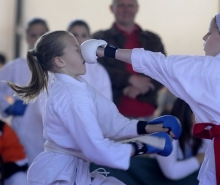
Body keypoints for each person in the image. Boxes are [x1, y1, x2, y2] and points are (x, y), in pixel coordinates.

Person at [82, 11, 220, 184]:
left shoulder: (204, 69)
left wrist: (105, 51)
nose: (204, 38)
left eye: (209, 33)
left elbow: (155, 62)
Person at [6, 30, 179, 184]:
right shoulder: (71, 96)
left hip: (72, 170)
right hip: (58, 175)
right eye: (76, 48)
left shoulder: (78, 86)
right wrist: (143, 146)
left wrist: (149, 127)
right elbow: (95, 148)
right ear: (59, 61)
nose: (82, 51)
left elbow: (110, 121)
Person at [93, 0, 165, 120]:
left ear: (137, 8)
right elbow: (95, 70)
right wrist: (130, 79)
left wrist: (142, 88)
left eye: (130, 5)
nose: (126, 9)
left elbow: (163, 70)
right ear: (112, 8)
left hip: (149, 115)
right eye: (121, 5)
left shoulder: (153, 40)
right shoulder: (99, 39)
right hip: (112, 116)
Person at [0, 17, 49, 165]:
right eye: (33, 35)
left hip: (49, 133)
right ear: (27, 38)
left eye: (42, 34)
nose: (38, 39)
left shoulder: (58, 66)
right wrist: (8, 106)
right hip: (23, 132)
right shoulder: (15, 67)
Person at [156, 98, 208, 181]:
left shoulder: (197, 135)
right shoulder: (166, 132)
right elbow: (171, 172)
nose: (205, 117)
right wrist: (200, 158)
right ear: (187, 112)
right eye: (200, 112)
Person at [67, 19, 112, 100]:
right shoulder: (57, 65)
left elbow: (106, 101)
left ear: (90, 39)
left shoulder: (98, 70)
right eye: (74, 35)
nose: (79, 39)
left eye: (83, 36)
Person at [0, 120, 28, 185]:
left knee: (20, 179)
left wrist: (3, 170)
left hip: (4, 176)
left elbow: (17, 157)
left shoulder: (2, 128)